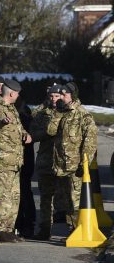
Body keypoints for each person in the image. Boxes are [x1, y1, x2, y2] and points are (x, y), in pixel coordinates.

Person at [47, 82, 97, 234]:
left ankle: (79, 230)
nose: (61, 97)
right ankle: (72, 229)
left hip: (76, 166)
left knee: (76, 201)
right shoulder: (62, 112)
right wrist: (57, 113)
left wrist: (85, 162)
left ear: (73, 95)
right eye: (60, 94)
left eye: (65, 94)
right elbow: (50, 131)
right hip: (62, 165)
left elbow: (90, 141)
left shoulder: (83, 115)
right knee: (66, 201)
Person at [0, 79, 31, 243]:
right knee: (4, 196)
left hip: (15, 161)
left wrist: (26, 134)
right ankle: (0, 229)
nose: (18, 96)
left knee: (14, 196)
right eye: (17, 94)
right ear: (12, 94)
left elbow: (17, 128)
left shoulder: (12, 109)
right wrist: (2, 121)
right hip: (3, 160)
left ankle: (9, 229)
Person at [31, 84, 62, 240]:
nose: (54, 99)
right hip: (46, 159)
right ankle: (44, 229)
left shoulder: (69, 112)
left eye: (57, 96)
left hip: (64, 162)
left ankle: (72, 229)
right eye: (51, 96)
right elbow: (33, 133)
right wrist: (46, 133)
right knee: (45, 197)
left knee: (66, 197)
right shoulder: (42, 113)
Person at [13, 95, 35, 239]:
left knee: (22, 192)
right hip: (23, 158)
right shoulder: (24, 110)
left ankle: (24, 223)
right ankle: (24, 223)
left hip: (22, 158)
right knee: (23, 191)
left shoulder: (21, 113)